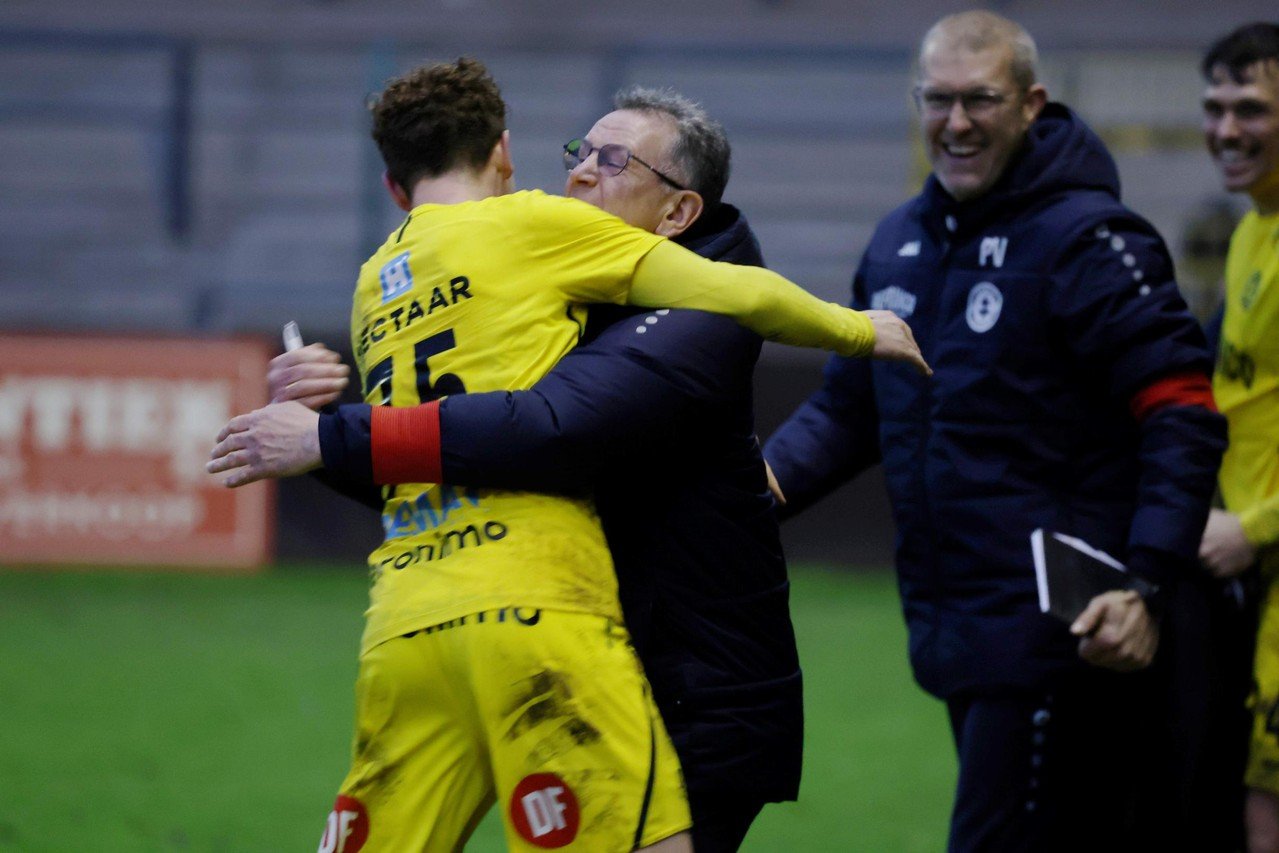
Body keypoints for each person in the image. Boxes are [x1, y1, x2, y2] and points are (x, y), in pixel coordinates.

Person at [211, 59, 926, 852]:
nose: (582, 171)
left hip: (691, 687)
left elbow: (550, 429)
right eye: (579, 152)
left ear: (678, 210)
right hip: (549, 634)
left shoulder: (702, 310)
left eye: (614, 159)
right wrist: (315, 429)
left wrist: (330, 436)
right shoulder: (544, 291)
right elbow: (443, 468)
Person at [763, 11, 1227, 851]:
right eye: (937, 101)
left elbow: (1182, 411)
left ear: (1029, 103)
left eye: (979, 99)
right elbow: (847, 407)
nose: (957, 122)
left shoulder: (1088, 240)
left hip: (1065, 633)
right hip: (956, 627)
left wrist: (1145, 579)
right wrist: (750, 493)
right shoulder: (898, 241)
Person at [1199, 22, 1279, 853]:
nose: (1226, 128)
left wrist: (1248, 527)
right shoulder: (1253, 226)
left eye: (1250, 107)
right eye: (1215, 106)